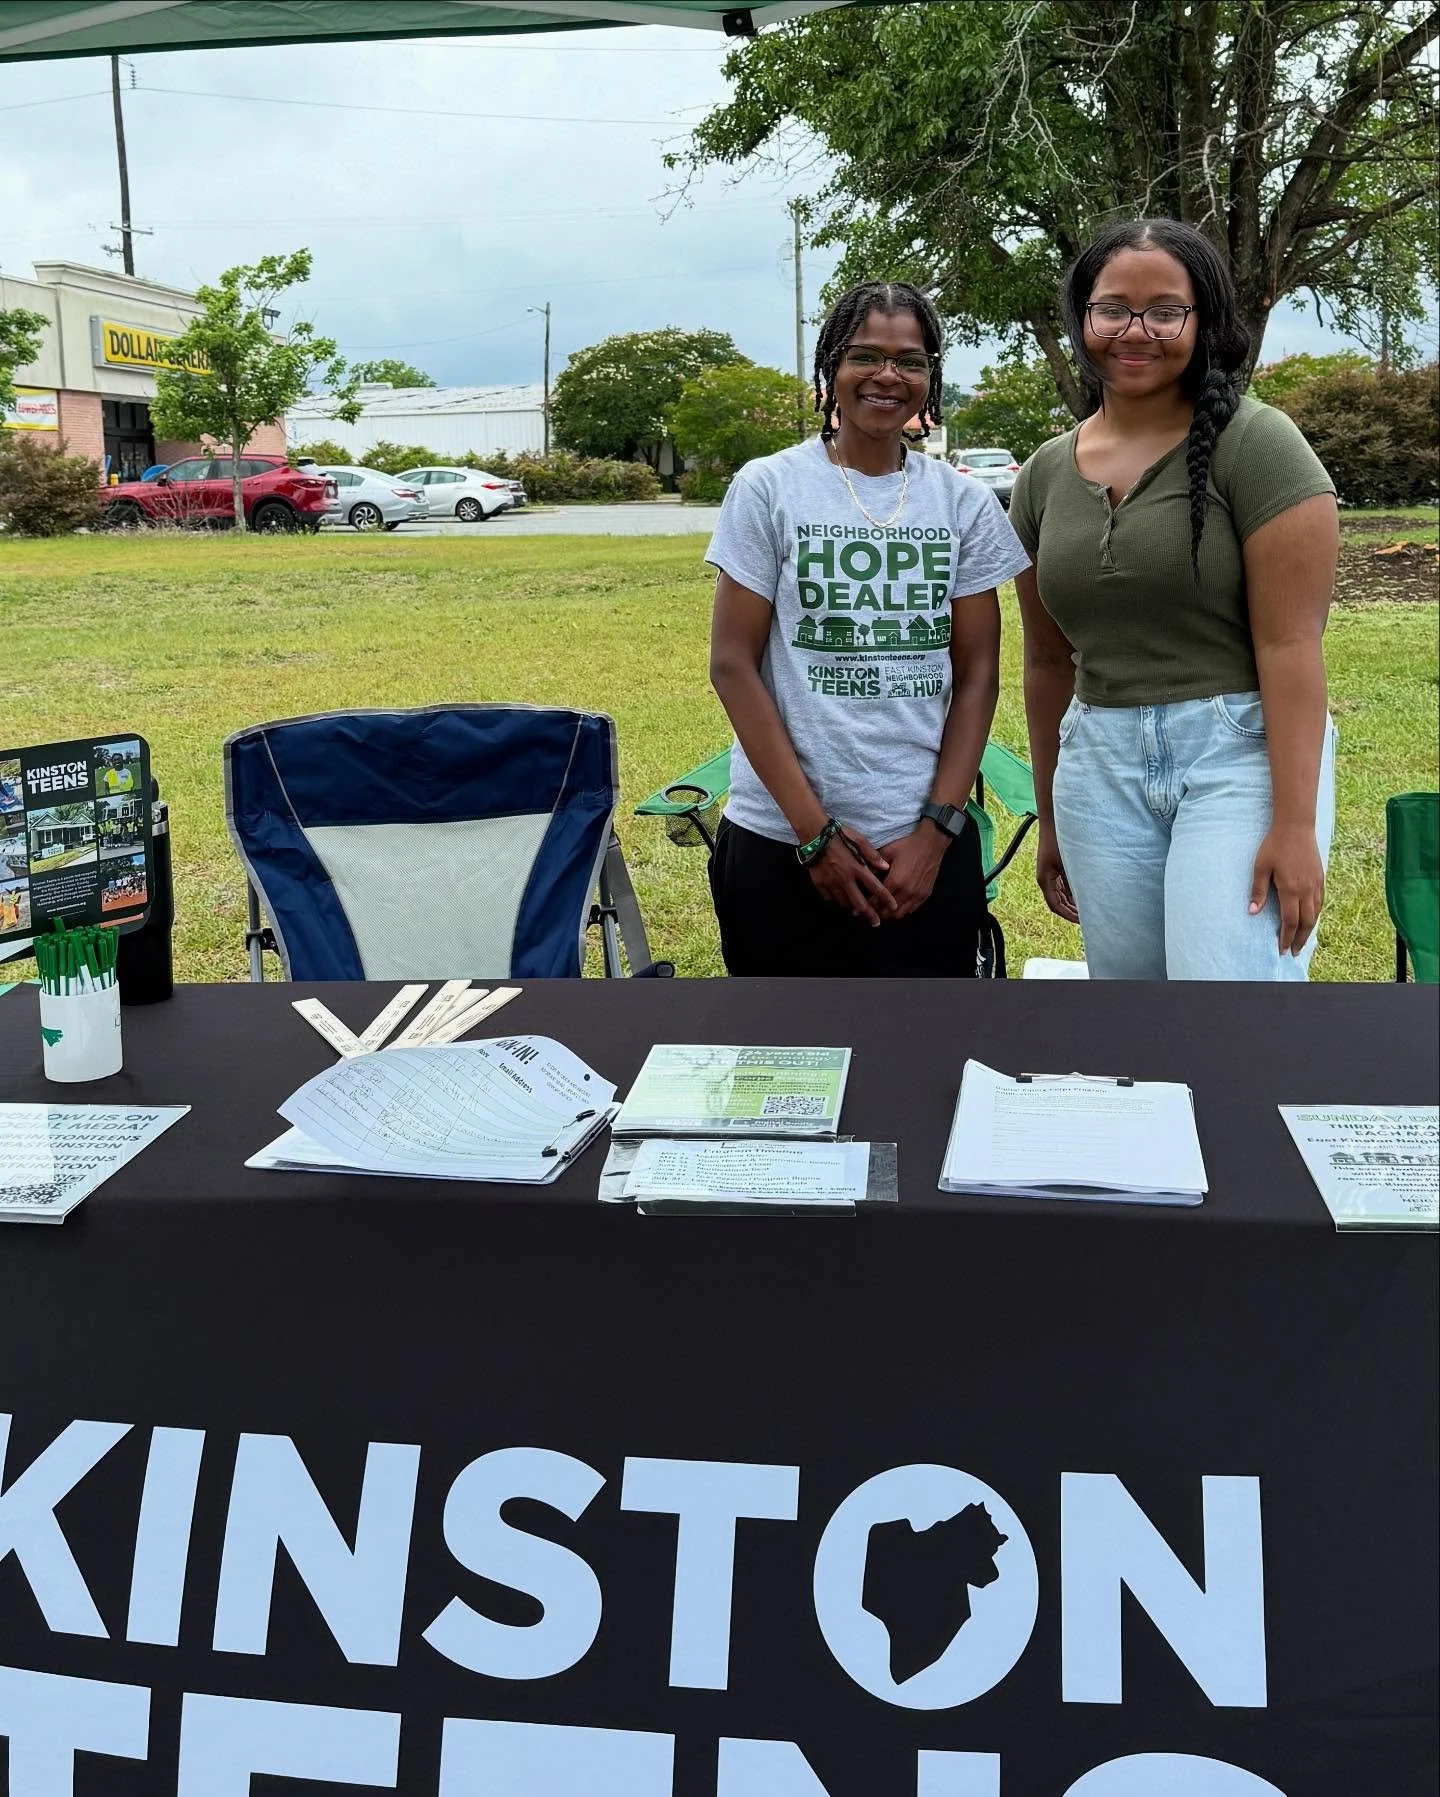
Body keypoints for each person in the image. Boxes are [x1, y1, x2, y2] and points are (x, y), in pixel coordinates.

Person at [1010, 218, 1338, 981]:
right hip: (1099, 766)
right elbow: (1046, 660)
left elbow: (1292, 648)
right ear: (1083, 320)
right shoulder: (1044, 474)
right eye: (1113, 308)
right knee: (1134, 1015)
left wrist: (1295, 826)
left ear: (1206, 321)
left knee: (1227, 999)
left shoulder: (1258, 446)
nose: (1137, 330)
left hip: (1237, 751)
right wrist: (1052, 817)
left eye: (1166, 310)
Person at [706, 280, 1031, 976]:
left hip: (922, 850)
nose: (888, 375)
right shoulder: (768, 488)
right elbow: (732, 663)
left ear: (930, 377)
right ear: (831, 370)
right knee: (781, 1062)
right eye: (865, 356)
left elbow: (977, 675)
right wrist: (813, 836)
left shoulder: (964, 504)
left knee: (922, 1057)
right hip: (778, 841)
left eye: (910, 360)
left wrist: (939, 832)